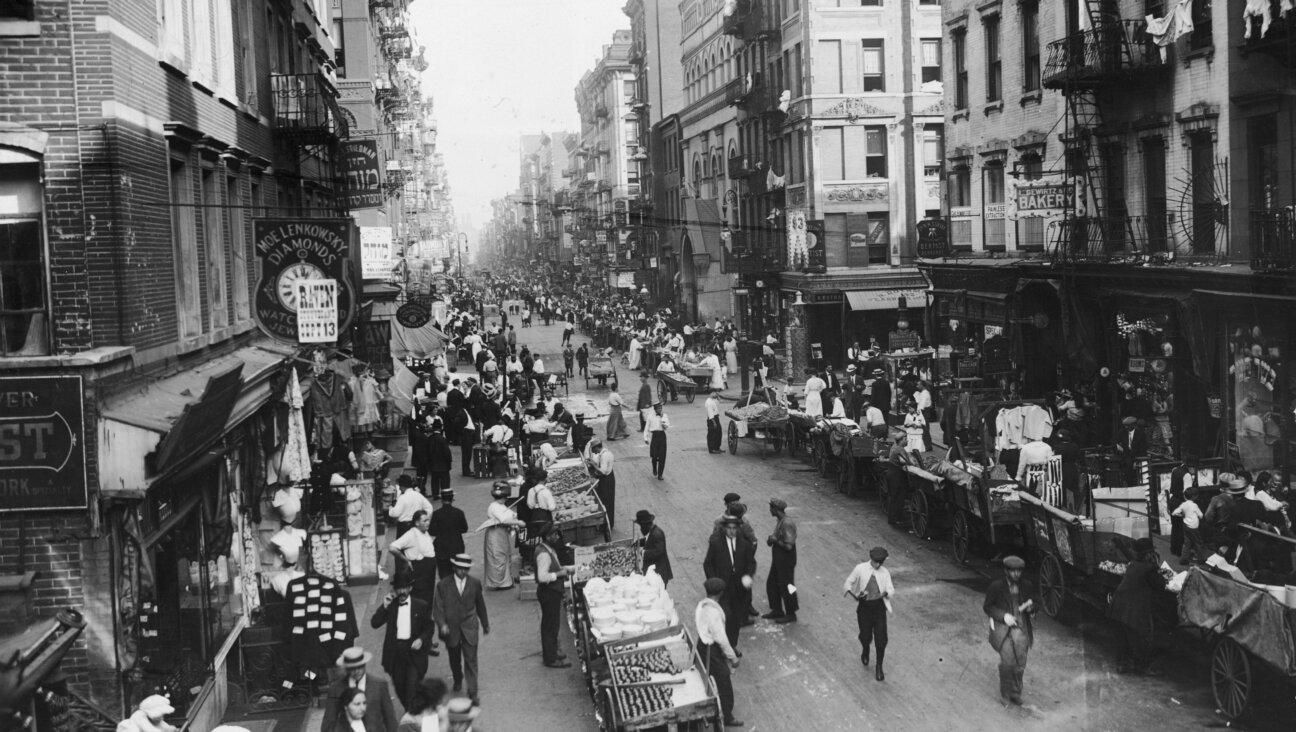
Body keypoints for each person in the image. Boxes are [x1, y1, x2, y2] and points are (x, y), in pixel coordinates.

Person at [369, 571, 436, 710]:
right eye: (399, 588)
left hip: (413, 654)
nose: (402, 591)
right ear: (395, 590)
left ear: (410, 588)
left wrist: (421, 640)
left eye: (405, 588)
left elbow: (429, 627)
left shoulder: (420, 605)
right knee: (400, 688)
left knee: (411, 689)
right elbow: (374, 623)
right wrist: (384, 605)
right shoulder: (391, 606)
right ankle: (410, 710)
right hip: (395, 654)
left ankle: (411, 717)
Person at [432, 554, 490, 702]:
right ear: (454, 567)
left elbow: (480, 604)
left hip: (469, 627)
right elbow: (438, 608)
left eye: (465, 569)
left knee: (471, 659)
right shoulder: (443, 585)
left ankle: (472, 691)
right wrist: (442, 624)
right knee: (454, 657)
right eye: (459, 568)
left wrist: (485, 623)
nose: (462, 572)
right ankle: (457, 677)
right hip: (451, 629)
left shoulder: (475, 583)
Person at [983, 556, 1038, 706]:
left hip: (1021, 629)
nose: (1016, 575)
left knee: (1020, 663)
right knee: (1008, 662)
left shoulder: (1027, 585)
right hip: (1003, 630)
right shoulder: (996, 587)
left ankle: (1015, 692)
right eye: (1013, 571)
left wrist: (1031, 608)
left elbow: (1034, 605)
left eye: (1019, 571)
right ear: (1006, 570)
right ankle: (1005, 694)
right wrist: (1004, 616)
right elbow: (988, 607)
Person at [1108, 537, 1167, 675]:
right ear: (1149, 554)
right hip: (1131, 608)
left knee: (1122, 637)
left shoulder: (1133, 564)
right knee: (1139, 637)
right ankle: (1142, 667)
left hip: (1118, 605)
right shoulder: (1148, 568)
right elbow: (1160, 585)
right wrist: (1157, 568)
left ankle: (1122, 665)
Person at [703, 515, 757, 653]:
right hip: (722, 589)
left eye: (734, 528)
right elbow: (708, 564)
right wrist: (714, 583)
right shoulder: (716, 543)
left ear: (738, 528)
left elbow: (751, 563)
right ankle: (721, 648)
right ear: (724, 528)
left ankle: (731, 646)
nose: (732, 531)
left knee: (735, 618)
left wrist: (748, 576)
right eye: (729, 528)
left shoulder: (744, 544)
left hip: (739, 589)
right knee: (723, 616)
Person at [695, 578, 743, 728]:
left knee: (705, 677)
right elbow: (721, 639)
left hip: (701, 645)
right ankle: (726, 716)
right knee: (723, 681)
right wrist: (733, 658)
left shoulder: (701, 605)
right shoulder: (714, 612)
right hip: (711, 648)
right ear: (721, 593)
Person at [843, 546, 894, 681]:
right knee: (865, 636)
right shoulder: (860, 568)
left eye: (880, 562)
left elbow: (891, 589)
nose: (877, 565)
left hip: (879, 609)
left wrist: (885, 593)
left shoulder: (885, 573)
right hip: (864, 609)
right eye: (875, 562)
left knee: (881, 639)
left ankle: (879, 666)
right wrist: (852, 593)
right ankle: (865, 649)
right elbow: (849, 582)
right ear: (871, 559)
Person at [323, 647, 398, 732]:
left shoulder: (379, 685)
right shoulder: (336, 688)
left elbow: (390, 719)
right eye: (352, 668)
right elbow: (329, 721)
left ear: (365, 664)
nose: (357, 671)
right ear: (346, 668)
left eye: (360, 666)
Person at [388, 510, 441, 615]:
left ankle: (426, 621)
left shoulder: (425, 533)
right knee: (419, 599)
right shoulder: (411, 535)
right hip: (419, 572)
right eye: (425, 521)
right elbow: (392, 547)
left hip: (429, 573)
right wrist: (405, 560)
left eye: (428, 520)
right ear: (417, 523)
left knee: (429, 598)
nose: (428, 523)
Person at [536, 528, 573, 668]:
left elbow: (555, 566)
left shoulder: (548, 549)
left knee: (553, 624)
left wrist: (566, 569)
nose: (557, 537)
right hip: (549, 592)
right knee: (549, 626)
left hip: (552, 591)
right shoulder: (544, 554)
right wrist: (559, 574)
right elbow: (542, 577)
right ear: (547, 536)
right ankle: (550, 659)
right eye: (554, 534)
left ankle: (552, 652)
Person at [763, 498, 799, 624]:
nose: (769, 511)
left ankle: (791, 613)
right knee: (772, 584)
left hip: (786, 559)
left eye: (771, 508)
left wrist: (774, 540)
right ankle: (777, 609)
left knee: (788, 586)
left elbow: (789, 546)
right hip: (779, 558)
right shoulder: (780, 521)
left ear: (776, 510)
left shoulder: (787, 523)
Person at [483, 482, 524, 589]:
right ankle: (499, 583)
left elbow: (510, 514)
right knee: (497, 557)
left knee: (505, 556)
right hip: (495, 534)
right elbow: (503, 519)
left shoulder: (500, 506)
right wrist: (518, 522)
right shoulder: (494, 507)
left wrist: (514, 516)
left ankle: (507, 581)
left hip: (501, 534)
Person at [429, 490, 469, 581]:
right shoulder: (459, 512)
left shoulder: (436, 514)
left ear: (441, 500)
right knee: (457, 573)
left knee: (444, 574)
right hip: (457, 547)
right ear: (452, 499)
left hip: (441, 548)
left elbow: (432, 532)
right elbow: (464, 529)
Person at [635, 509, 673, 586]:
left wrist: (643, 553)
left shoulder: (657, 534)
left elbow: (659, 551)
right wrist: (639, 542)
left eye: (641, 526)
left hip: (659, 573)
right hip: (654, 570)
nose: (641, 528)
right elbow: (648, 539)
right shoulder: (651, 531)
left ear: (645, 524)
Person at [588, 440, 617, 530]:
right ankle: (606, 523)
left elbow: (603, 471)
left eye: (593, 450)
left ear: (597, 447)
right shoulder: (604, 453)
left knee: (606, 502)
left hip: (607, 480)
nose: (593, 452)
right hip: (607, 479)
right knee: (605, 501)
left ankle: (606, 525)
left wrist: (593, 465)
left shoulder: (604, 455)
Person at [1172, 486, 1206, 564]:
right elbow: (1201, 515)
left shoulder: (1183, 505)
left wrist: (1183, 516)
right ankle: (1201, 559)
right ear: (1194, 496)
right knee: (1198, 542)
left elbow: (1174, 513)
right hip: (1193, 527)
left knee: (1187, 542)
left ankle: (1184, 559)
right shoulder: (1194, 505)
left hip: (1186, 526)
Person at [1114, 415, 1148, 485]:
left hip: (1137, 455)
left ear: (1133, 425)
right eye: (1125, 425)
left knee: (1133, 466)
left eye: (1127, 426)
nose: (1126, 427)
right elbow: (1115, 441)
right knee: (1127, 465)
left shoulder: (1140, 434)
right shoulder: (1122, 432)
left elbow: (1143, 449)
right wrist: (1118, 448)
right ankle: (1129, 484)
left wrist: (1137, 461)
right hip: (1126, 455)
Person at [427, 422, 454, 500]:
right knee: (445, 480)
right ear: (440, 428)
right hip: (443, 465)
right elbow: (447, 452)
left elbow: (427, 452)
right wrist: (449, 461)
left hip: (433, 464)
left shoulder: (429, 439)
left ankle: (435, 494)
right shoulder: (442, 439)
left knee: (434, 480)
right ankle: (445, 494)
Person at [644, 401, 670, 480]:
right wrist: (645, 438)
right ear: (655, 409)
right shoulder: (650, 416)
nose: (660, 410)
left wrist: (663, 421)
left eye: (661, 408)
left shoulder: (664, 415)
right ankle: (654, 467)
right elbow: (646, 427)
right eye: (658, 408)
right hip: (654, 436)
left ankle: (660, 474)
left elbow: (666, 426)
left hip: (662, 436)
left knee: (662, 456)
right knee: (654, 455)